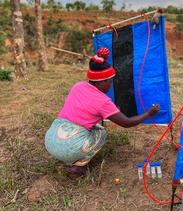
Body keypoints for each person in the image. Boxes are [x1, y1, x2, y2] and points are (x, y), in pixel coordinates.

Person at [45, 47, 160, 176]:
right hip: (69, 148)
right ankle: (78, 166)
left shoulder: (78, 86)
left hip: (50, 140)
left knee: (91, 126)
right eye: (110, 82)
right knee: (101, 132)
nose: (111, 85)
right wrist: (149, 113)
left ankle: (68, 154)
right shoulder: (103, 101)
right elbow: (126, 123)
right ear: (101, 81)